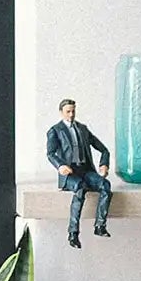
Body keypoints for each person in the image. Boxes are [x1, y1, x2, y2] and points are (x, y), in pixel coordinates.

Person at [47, 98, 111, 247]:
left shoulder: (82, 129)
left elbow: (103, 149)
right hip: (70, 173)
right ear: (61, 113)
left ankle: (100, 225)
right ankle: (73, 233)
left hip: (85, 170)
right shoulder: (55, 131)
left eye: (73, 111)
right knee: (80, 189)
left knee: (105, 186)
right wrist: (60, 166)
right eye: (68, 111)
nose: (71, 114)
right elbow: (50, 153)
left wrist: (104, 165)